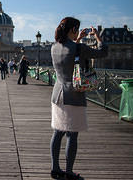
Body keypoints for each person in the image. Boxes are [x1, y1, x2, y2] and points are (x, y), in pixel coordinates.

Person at [50, 17, 108, 180]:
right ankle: (69, 172)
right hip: (74, 95)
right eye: (77, 29)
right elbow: (103, 52)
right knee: (72, 135)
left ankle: (55, 169)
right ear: (73, 29)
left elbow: (68, 52)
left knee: (58, 133)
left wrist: (78, 39)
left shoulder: (54, 47)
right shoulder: (79, 48)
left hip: (57, 94)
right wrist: (97, 38)